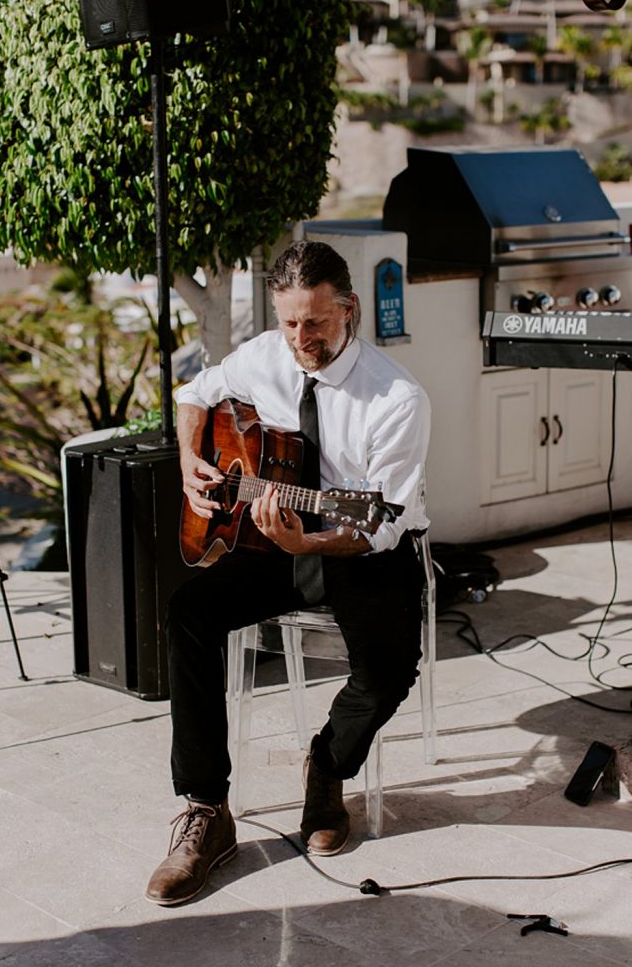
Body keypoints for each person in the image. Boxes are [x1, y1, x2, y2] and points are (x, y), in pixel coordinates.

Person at [145, 239, 431, 906]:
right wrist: (191, 461)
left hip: (357, 543)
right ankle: (207, 811)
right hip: (270, 539)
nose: (300, 337)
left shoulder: (395, 398)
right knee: (188, 613)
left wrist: (312, 543)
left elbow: (377, 522)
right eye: (289, 322)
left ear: (349, 310)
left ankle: (326, 768)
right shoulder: (263, 356)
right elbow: (194, 392)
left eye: (316, 322)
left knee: (389, 665)